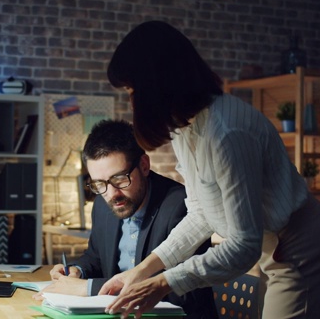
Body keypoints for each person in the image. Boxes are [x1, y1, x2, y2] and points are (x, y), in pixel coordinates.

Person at [99, 21, 320, 319]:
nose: (132, 101)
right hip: (277, 250)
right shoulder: (186, 127)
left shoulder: (226, 132)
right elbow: (201, 215)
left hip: (308, 254)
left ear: (155, 84)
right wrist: (142, 271)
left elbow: (244, 246)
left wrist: (164, 282)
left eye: (132, 90)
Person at [37, 119, 217, 318]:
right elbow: (95, 257)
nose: (112, 194)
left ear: (144, 165)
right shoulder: (102, 204)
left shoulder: (182, 206)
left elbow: (183, 293)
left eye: (120, 179)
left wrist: (88, 288)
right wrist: (77, 272)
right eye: (99, 184)